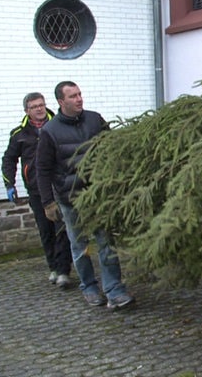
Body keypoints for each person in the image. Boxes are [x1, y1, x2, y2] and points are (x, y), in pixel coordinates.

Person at [36, 81, 135, 310]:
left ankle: (114, 290)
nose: (79, 99)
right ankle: (89, 288)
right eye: (72, 96)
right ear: (61, 102)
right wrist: (47, 203)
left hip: (97, 194)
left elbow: (111, 149)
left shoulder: (94, 119)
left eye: (80, 94)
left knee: (106, 242)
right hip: (70, 198)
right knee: (79, 245)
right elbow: (43, 169)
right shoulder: (50, 132)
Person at [2, 92, 72, 288]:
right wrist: (10, 184)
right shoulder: (19, 134)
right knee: (46, 230)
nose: (40, 109)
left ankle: (64, 270)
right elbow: (9, 159)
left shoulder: (56, 126)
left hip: (59, 186)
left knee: (62, 229)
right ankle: (54, 267)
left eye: (41, 105)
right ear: (27, 111)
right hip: (36, 190)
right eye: (34, 107)